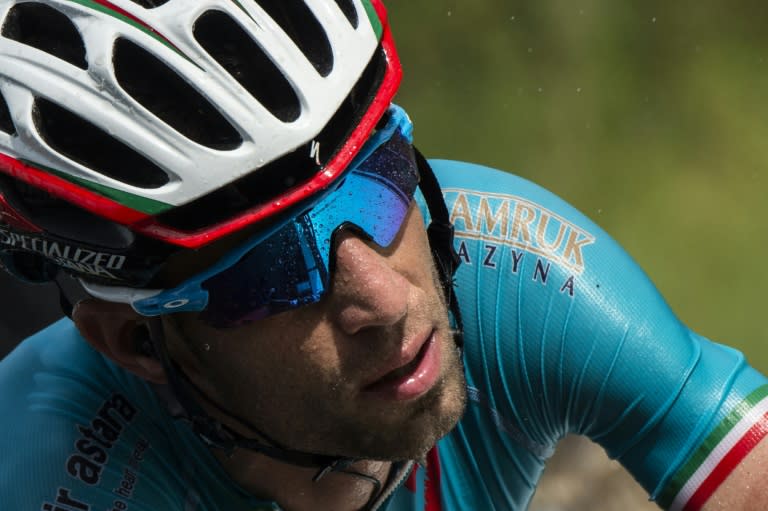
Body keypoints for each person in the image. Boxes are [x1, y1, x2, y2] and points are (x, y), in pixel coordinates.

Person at [0, 1, 766, 510]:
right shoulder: (55, 474)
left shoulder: (509, 274)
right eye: (273, 271)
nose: (388, 298)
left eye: (381, 181)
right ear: (137, 342)